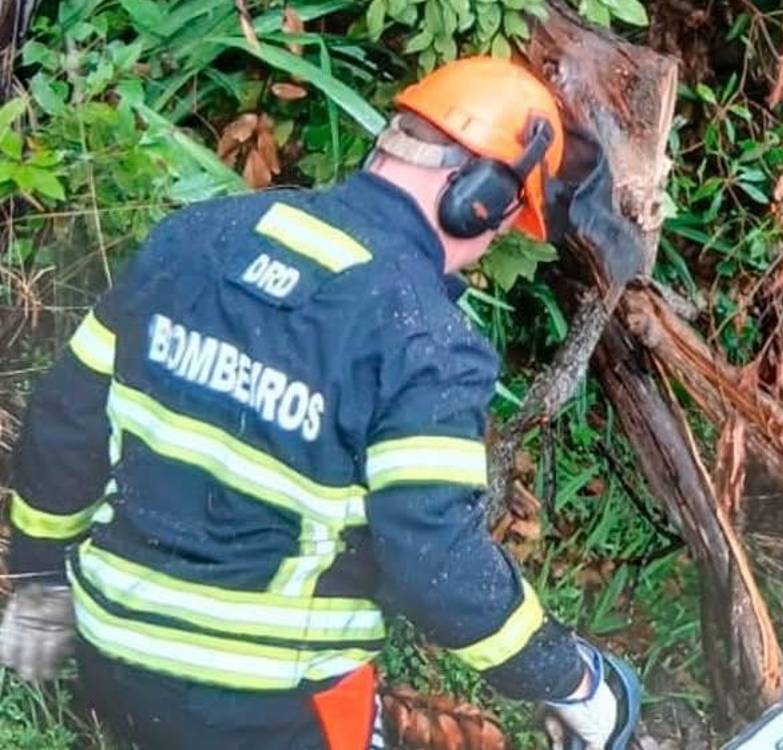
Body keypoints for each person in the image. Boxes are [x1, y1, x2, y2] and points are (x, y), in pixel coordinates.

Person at [0, 55, 637, 749]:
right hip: (269, 700)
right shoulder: (421, 340)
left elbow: (66, 423)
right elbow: (436, 564)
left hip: (113, 660)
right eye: (499, 223)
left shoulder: (192, 241)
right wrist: (567, 677)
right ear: (477, 197)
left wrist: (39, 577)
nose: (485, 245)